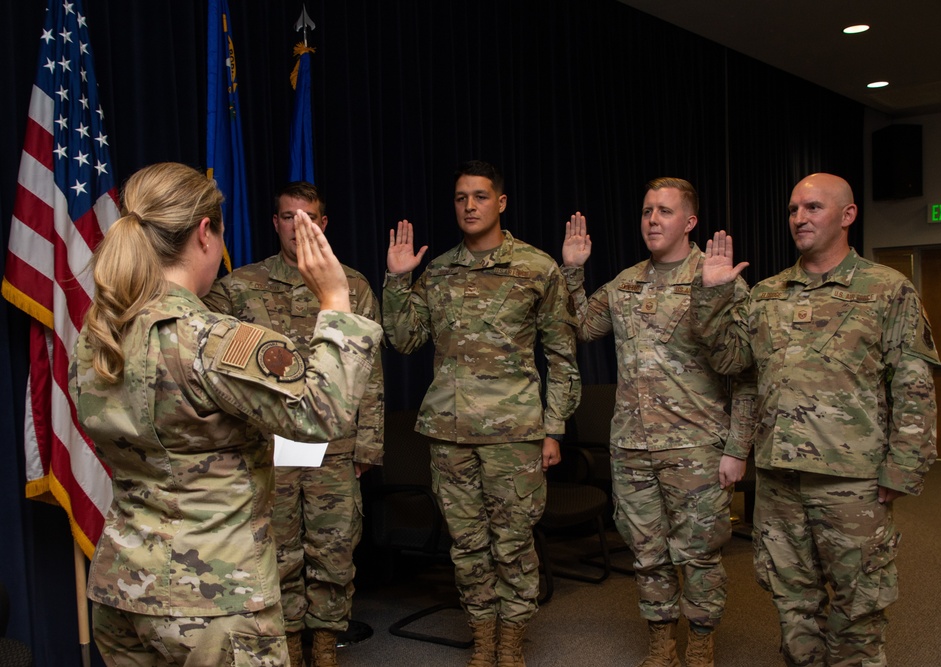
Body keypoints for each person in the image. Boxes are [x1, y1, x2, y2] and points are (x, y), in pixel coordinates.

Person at [69, 162, 382, 667]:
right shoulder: (214, 340)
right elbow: (323, 415)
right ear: (204, 233)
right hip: (214, 602)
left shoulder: (99, 336)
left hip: (124, 588)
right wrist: (336, 299)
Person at [693, 173, 939, 666]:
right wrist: (712, 298)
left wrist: (903, 468)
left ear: (847, 215)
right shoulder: (766, 293)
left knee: (858, 605)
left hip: (853, 482)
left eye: (812, 208)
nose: (799, 218)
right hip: (781, 481)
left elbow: (913, 384)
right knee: (792, 603)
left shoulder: (887, 289)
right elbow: (732, 365)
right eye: (792, 210)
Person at [381, 160, 581, 667]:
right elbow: (404, 340)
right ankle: (483, 638)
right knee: (467, 545)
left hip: (515, 434)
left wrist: (554, 428)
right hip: (450, 434)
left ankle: (511, 642)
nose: (469, 206)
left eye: (480, 196)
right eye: (460, 198)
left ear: (501, 202)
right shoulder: (440, 270)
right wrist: (397, 280)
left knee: (513, 544)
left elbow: (562, 357)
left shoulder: (537, 269)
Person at [560, 178, 752, 667]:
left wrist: (737, 449)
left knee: (700, 554)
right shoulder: (625, 283)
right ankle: (662, 641)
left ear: (689, 222)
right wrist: (574, 272)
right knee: (646, 554)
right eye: (647, 211)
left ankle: (702, 642)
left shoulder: (719, 278)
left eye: (664, 212)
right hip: (631, 446)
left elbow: (746, 374)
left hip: (697, 448)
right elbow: (580, 326)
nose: (652, 220)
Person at [203, 182, 384, 667]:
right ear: (275, 223)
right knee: (276, 554)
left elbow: (370, 373)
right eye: (287, 217)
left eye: (307, 217)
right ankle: (286, 653)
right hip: (269, 448)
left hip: (335, 446)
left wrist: (368, 445)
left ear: (322, 224)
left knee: (334, 553)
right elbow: (214, 369)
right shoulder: (239, 287)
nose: (296, 226)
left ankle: (325, 652)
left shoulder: (352, 286)